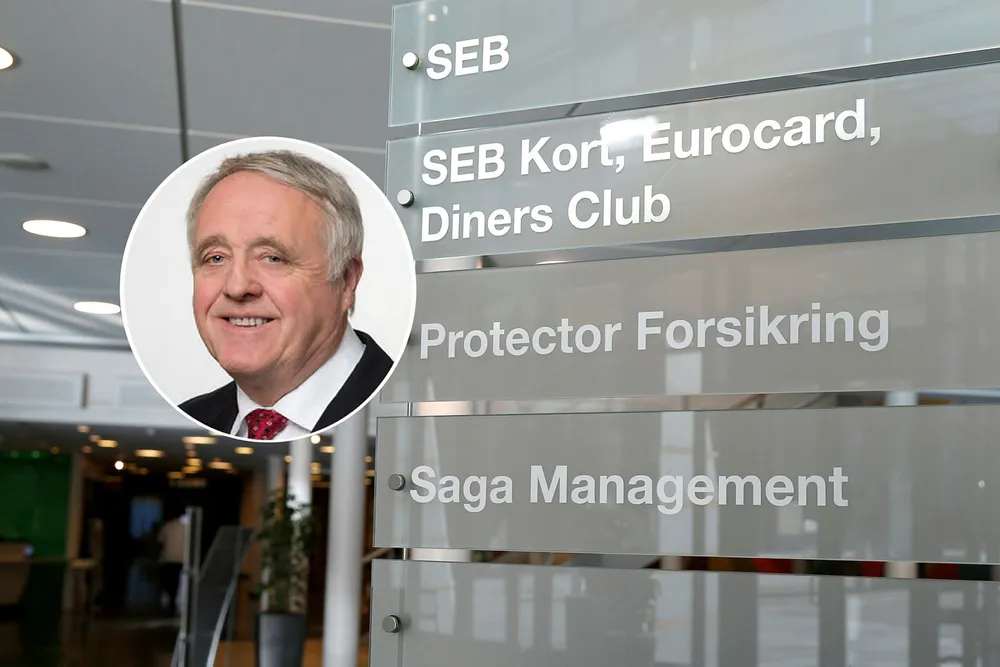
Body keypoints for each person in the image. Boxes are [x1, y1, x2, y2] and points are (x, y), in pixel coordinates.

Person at [177, 150, 393, 440]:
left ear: (346, 279)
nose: (237, 287)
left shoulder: (405, 411)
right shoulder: (195, 416)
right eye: (216, 258)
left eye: (273, 258)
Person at [158, 513, 185, 613]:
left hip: (168, 559)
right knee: (175, 581)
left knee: (168, 581)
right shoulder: (185, 528)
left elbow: (160, 540)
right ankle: (172, 601)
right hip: (179, 559)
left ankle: (170, 601)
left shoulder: (167, 526)